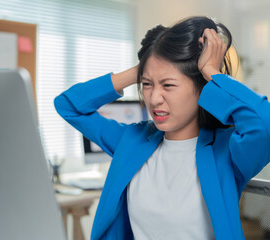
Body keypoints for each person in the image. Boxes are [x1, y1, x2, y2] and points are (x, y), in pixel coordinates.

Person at [54, 16, 270, 240]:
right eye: (147, 85)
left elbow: (265, 124)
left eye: (168, 85)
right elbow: (69, 106)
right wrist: (144, 67)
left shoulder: (226, 151)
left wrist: (212, 72)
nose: (154, 98)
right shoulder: (132, 140)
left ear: (202, 87)